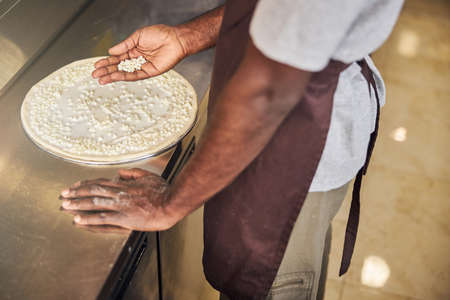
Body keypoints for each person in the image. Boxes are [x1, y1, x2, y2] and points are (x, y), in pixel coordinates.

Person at [60, 1, 404, 299]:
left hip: (294, 159)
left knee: (267, 286)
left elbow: (268, 89)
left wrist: (168, 204)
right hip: (271, 133)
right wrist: (186, 36)